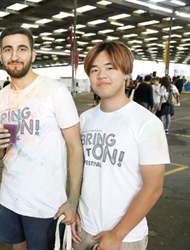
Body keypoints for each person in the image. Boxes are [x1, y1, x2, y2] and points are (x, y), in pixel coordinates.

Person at [0, 26, 84, 249]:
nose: (14, 56)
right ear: (1, 55)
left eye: (22, 49)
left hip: (46, 205)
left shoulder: (55, 91)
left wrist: (73, 201)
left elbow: (75, 147)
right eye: (8, 50)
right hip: (10, 199)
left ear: (33, 54)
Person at [71, 41, 170, 250]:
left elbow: (153, 188)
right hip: (83, 229)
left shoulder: (147, 123)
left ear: (126, 72)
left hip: (125, 236)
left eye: (110, 68)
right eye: (94, 69)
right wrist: (74, 208)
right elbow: (80, 170)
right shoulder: (86, 119)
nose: (101, 75)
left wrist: (117, 235)